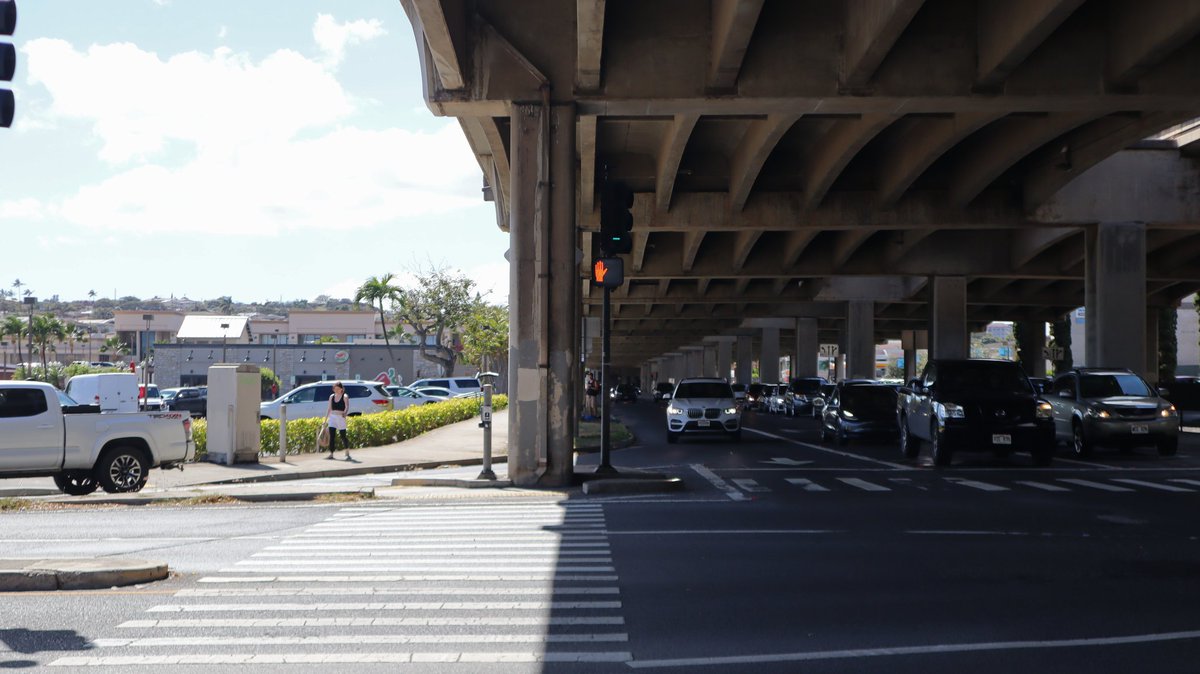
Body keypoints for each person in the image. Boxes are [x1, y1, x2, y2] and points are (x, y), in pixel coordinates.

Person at [325, 381, 351, 460]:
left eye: (337, 388)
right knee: (332, 436)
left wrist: (345, 413)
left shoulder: (345, 396)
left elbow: (346, 406)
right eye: (334, 388)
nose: (336, 390)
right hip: (332, 417)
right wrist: (325, 419)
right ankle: (331, 453)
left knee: (343, 435)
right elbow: (329, 408)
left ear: (341, 389)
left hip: (341, 417)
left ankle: (346, 450)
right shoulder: (331, 397)